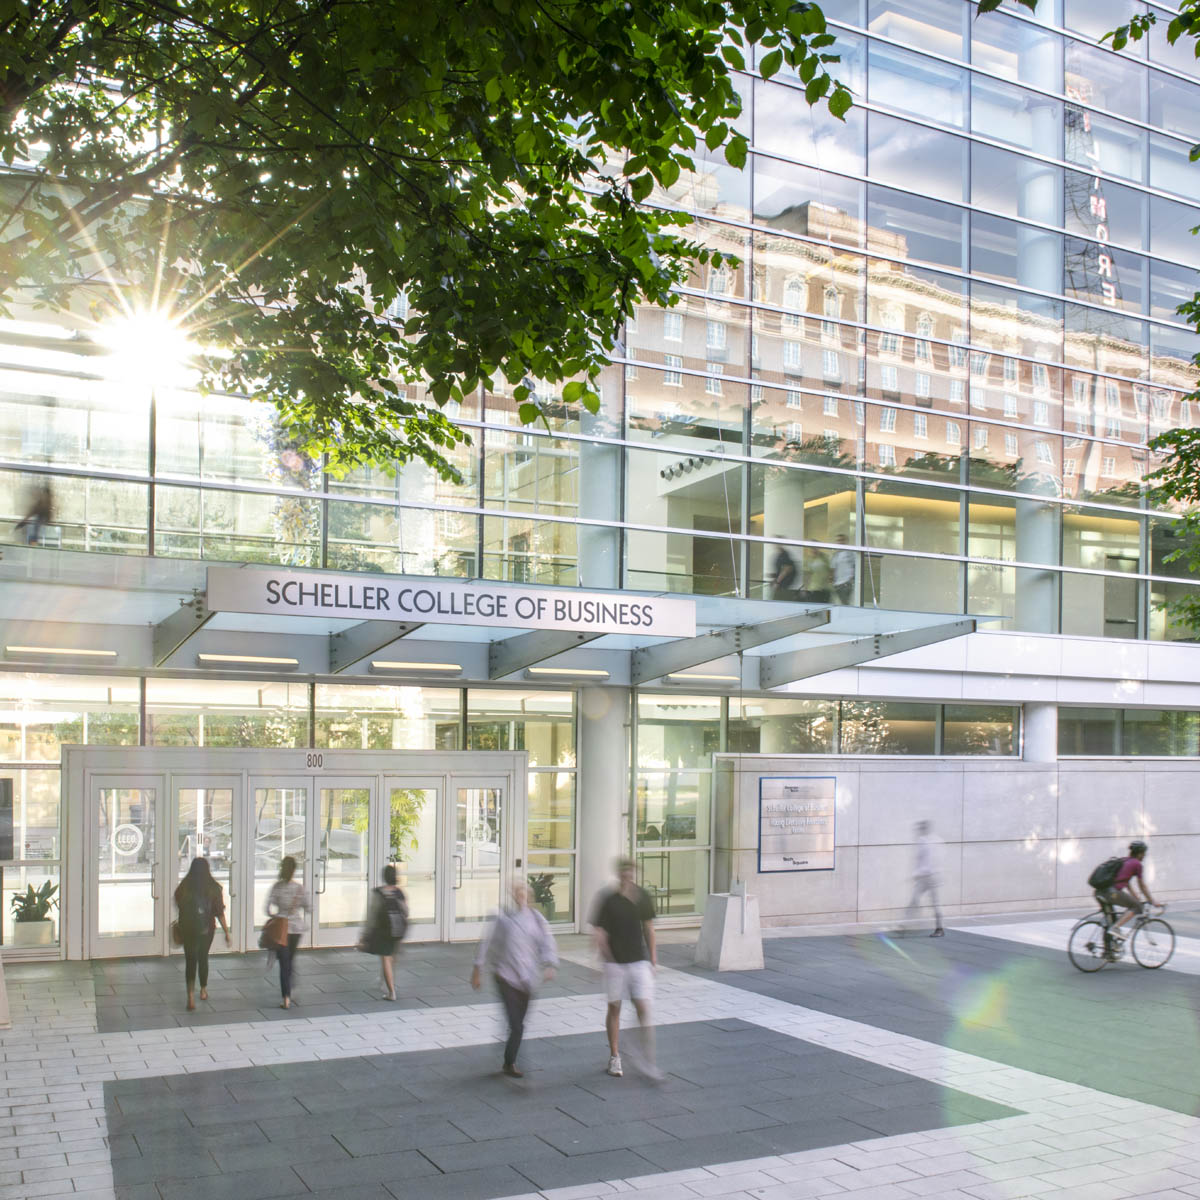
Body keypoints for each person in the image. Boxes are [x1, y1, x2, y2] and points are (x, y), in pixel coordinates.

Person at [471, 881, 559, 1078]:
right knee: (517, 1025)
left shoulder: (537, 919)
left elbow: (548, 943)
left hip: (527, 979)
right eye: (518, 893)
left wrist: (550, 964)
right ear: (514, 896)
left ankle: (510, 1052)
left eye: (525, 893)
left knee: (518, 1023)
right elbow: (487, 943)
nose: (521, 897)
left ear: (530, 897)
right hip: (505, 976)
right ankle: (509, 1063)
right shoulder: (504, 919)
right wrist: (478, 968)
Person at [590, 858, 659, 1080]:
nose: (627, 875)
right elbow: (599, 931)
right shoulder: (608, 899)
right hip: (615, 964)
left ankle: (647, 1058)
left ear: (634, 873)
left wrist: (653, 960)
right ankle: (614, 1056)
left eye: (630, 871)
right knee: (615, 1009)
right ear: (619, 874)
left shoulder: (642, 896)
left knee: (643, 1008)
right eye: (624, 872)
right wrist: (604, 956)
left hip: (639, 961)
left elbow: (649, 928)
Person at [174, 857, 231, 1011]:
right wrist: (226, 931)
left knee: (190, 959)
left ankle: (190, 996)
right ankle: (203, 990)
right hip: (206, 928)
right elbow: (219, 912)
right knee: (202, 957)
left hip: (187, 927)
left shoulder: (184, 886)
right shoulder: (214, 887)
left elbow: (178, 902)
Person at [1098, 840, 1161, 947]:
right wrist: (1152, 901)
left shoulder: (1124, 861)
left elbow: (1126, 883)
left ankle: (1109, 951)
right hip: (1112, 893)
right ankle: (1116, 928)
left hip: (1100, 892)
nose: (1144, 856)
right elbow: (1142, 885)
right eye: (1144, 853)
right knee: (1137, 907)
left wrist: (1135, 896)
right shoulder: (1137, 864)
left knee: (1111, 922)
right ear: (1140, 853)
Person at [266, 856, 309, 1010]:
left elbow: (267, 908)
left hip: (281, 929)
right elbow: (309, 907)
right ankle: (292, 987)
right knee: (289, 960)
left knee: (284, 963)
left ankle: (286, 998)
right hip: (296, 930)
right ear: (294, 870)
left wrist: (276, 917)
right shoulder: (299, 889)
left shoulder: (276, 887)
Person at [360, 865, 408, 1001]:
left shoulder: (378, 893)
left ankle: (391, 992)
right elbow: (406, 911)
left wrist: (364, 936)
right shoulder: (399, 892)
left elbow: (372, 916)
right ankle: (385, 980)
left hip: (384, 930)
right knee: (391, 956)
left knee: (385, 958)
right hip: (399, 929)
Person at [905, 820, 944, 937]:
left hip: (929, 877)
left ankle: (939, 929)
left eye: (920, 828)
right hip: (929, 876)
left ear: (924, 829)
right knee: (916, 900)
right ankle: (905, 925)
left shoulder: (928, 842)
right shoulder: (933, 840)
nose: (918, 831)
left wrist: (916, 875)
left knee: (932, 903)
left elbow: (928, 863)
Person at [13, 481, 52, 546]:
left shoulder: (42, 504)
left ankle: (33, 543)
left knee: (35, 528)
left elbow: (33, 512)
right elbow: (33, 512)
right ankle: (33, 543)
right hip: (40, 527)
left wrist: (23, 522)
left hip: (40, 528)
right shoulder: (43, 503)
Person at [831, 534, 855, 606]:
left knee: (845, 604)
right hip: (837, 584)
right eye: (838, 540)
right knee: (842, 604)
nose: (840, 542)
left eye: (841, 540)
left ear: (846, 541)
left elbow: (855, 566)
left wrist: (851, 579)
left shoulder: (850, 553)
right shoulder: (836, 555)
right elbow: (833, 568)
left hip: (846, 583)